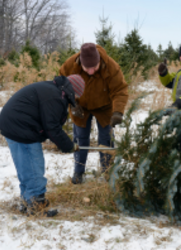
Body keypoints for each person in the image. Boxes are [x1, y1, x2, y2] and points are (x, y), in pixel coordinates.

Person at [0, 75, 85, 216]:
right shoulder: (55, 97)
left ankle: (27, 201)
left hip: (12, 124)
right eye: (76, 95)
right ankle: (36, 206)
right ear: (72, 90)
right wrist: (68, 146)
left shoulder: (53, 90)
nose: (76, 98)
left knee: (25, 167)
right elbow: (52, 127)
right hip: (21, 128)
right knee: (34, 166)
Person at [60, 43, 128, 184]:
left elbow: (120, 90)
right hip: (80, 107)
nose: (91, 72)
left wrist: (117, 112)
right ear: (81, 63)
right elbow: (61, 86)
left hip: (104, 107)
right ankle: (78, 171)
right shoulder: (70, 65)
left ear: (99, 61)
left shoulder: (111, 66)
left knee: (106, 139)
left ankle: (108, 172)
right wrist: (73, 104)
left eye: (94, 68)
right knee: (80, 138)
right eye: (87, 68)